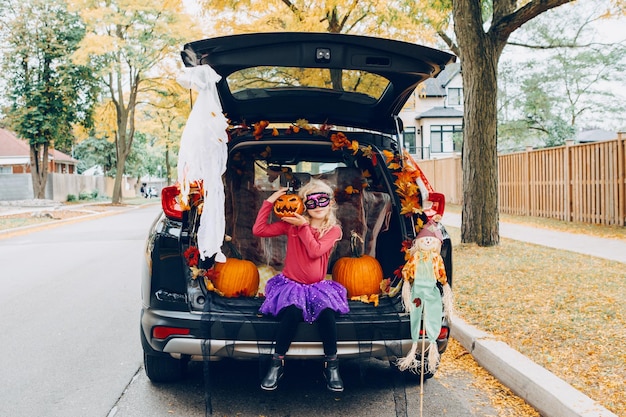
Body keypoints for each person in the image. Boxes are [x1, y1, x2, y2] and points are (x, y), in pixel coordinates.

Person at [252, 179, 349, 392]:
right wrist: (270, 201)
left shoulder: (333, 230)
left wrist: (303, 226)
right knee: (292, 313)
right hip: (291, 285)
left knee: (327, 315)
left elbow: (315, 251)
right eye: (311, 201)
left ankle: (332, 365)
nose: (318, 206)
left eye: (322, 199)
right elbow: (259, 230)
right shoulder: (292, 225)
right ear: (305, 204)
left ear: (330, 202)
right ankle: (277, 363)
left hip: (317, 287)